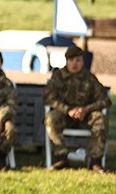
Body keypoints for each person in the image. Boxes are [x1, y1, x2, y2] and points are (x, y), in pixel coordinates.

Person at [44, 44, 110, 173]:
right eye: (71, 60)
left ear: (83, 62)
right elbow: (49, 98)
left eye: (78, 60)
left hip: (85, 116)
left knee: (100, 119)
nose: (75, 64)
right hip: (64, 116)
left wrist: (86, 109)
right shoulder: (58, 77)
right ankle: (61, 158)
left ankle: (95, 162)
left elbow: (105, 100)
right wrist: (68, 110)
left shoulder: (89, 78)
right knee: (51, 118)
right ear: (66, 61)